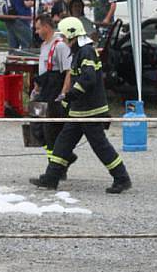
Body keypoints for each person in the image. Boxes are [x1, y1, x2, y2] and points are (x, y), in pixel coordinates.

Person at [31, 16, 132, 194]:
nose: (61, 40)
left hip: (91, 111)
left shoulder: (87, 51)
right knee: (63, 143)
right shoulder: (78, 52)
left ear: (72, 34)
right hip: (79, 111)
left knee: (100, 146)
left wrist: (71, 94)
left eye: (63, 36)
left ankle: (122, 178)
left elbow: (88, 78)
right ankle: (51, 178)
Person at [29, 14, 73, 168]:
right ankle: (66, 157)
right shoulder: (43, 45)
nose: (37, 32)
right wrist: (36, 89)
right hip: (42, 92)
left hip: (54, 94)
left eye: (38, 28)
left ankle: (56, 166)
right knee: (35, 126)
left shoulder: (60, 46)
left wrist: (63, 94)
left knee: (51, 131)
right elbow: (42, 72)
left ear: (46, 27)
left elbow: (68, 71)